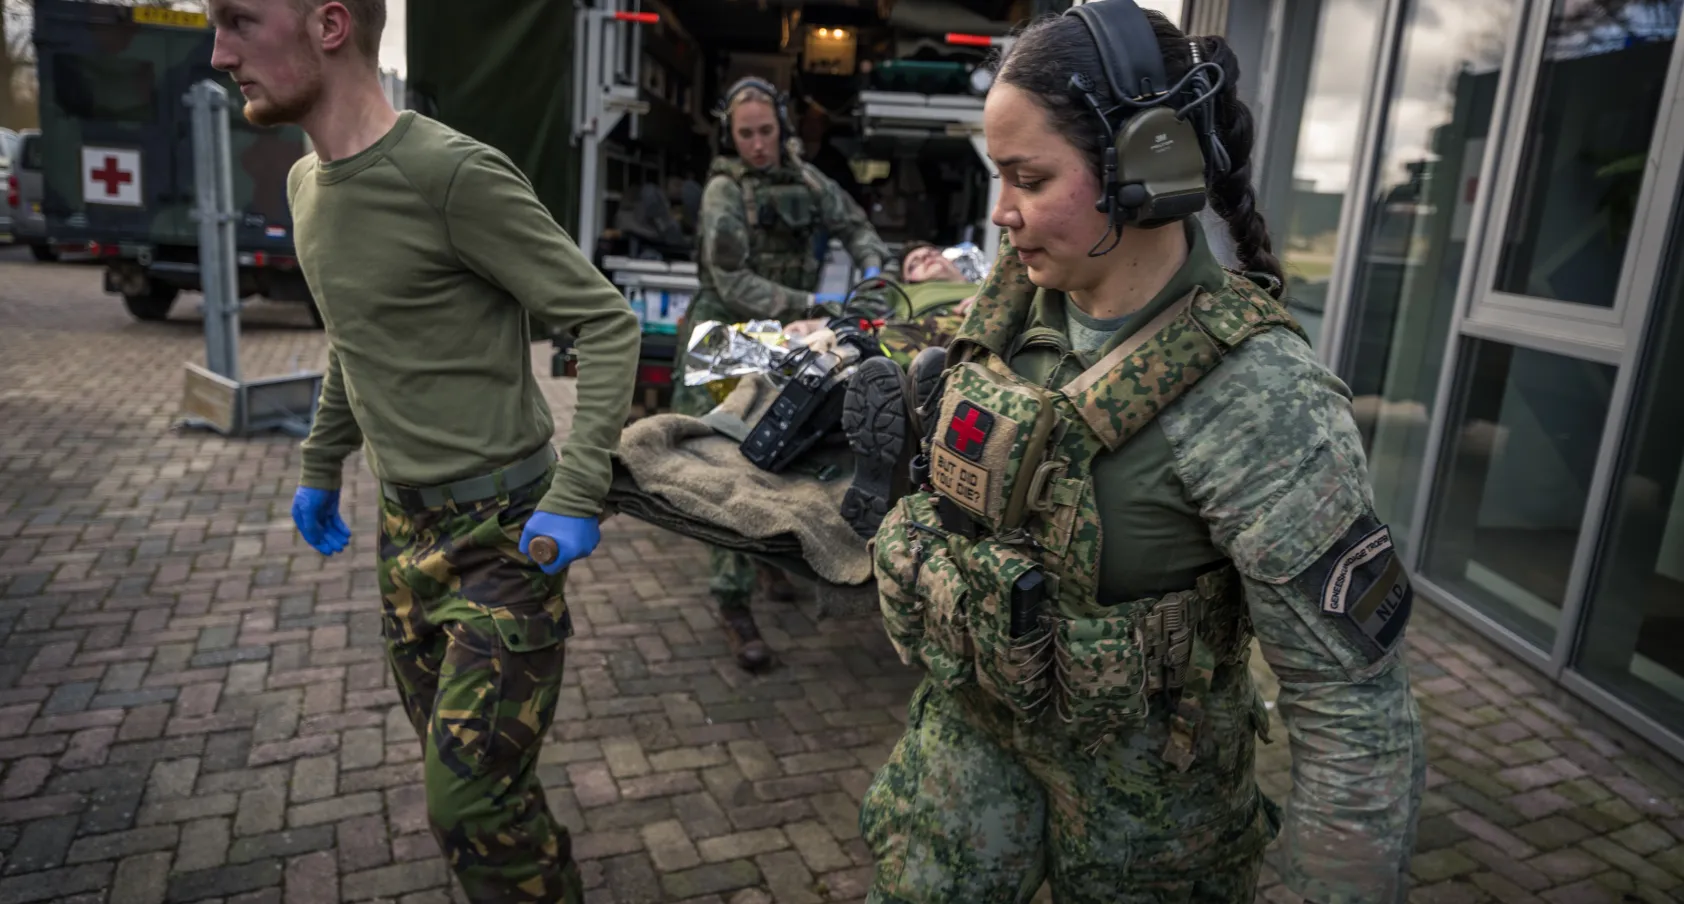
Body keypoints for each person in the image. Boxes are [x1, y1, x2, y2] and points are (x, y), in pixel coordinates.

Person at [858, 5, 1426, 904]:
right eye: (997, 176)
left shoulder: (1260, 400)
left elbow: (1353, 711)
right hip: (961, 774)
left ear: (1145, 168)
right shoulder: (1012, 302)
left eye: (1028, 177)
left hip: (1148, 824)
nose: (1000, 212)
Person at [209, 1, 641, 902]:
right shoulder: (305, 186)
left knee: (469, 806)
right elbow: (354, 343)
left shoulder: (451, 174)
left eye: (240, 21)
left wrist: (578, 486)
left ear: (329, 25)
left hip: (505, 541)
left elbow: (604, 323)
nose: (221, 53)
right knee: (484, 785)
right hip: (404, 538)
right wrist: (320, 468)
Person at [678, 75, 891, 670]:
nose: (756, 144)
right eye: (744, 134)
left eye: (765, 131)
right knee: (723, 469)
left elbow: (857, 229)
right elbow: (731, 283)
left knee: (784, 454)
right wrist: (811, 305)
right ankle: (732, 599)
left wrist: (873, 273)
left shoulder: (806, 179)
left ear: (783, 128)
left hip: (787, 338)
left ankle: (771, 564)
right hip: (725, 338)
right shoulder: (725, 191)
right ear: (730, 135)